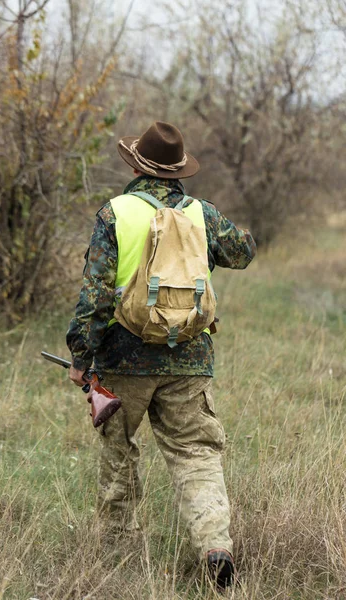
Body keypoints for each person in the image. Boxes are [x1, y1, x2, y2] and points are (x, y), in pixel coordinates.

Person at [66, 121, 256, 589]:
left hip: (122, 358)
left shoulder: (115, 213)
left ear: (136, 164)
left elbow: (95, 298)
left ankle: (118, 557)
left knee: (119, 452)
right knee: (196, 453)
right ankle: (215, 546)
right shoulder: (201, 213)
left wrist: (80, 355)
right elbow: (244, 251)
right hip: (189, 357)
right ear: (178, 171)